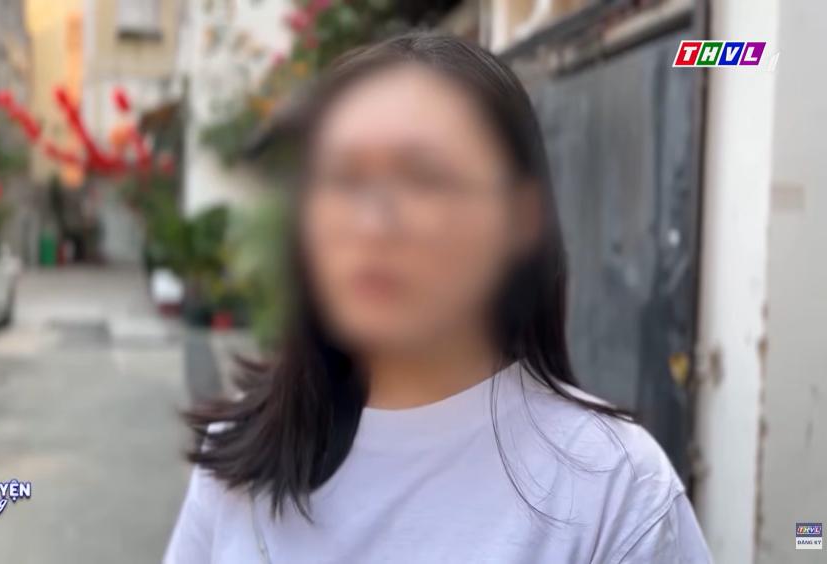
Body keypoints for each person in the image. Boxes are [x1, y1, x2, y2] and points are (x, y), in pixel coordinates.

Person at [165, 32, 711, 563]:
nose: (372, 223)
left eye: (425, 177)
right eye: (343, 177)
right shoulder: (240, 457)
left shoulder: (615, 490)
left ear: (521, 216)